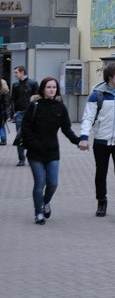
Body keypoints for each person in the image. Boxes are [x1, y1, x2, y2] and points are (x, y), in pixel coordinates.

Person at [79, 62, 115, 222]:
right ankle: (101, 201)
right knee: (101, 172)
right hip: (101, 141)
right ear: (110, 76)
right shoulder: (97, 95)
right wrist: (84, 137)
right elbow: (88, 117)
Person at [19, 77, 83, 224]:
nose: (52, 90)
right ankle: (38, 213)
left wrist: (78, 141)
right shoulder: (34, 105)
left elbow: (67, 129)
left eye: (54, 87)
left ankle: (45, 201)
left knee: (53, 183)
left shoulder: (60, 107)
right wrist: (34, 143)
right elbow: (25, 128)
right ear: (42, 89)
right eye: (48, 87)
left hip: (53, 151)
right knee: (40, 183)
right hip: (35, 152)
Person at [12, 66, 39, 166]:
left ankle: (33, 156)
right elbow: (13, 99)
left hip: (31, 114)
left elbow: (37, 98)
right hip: (19, 113)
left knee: (32, 136)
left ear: (22, 72)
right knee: (20, 137)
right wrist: (13, 112)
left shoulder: (33, 83)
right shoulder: (15, 85)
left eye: (16, 72)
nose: (15, 74)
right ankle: (21, 159)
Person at [0, 78, 11, 145]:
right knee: (2, 125)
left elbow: (6, 104)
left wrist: (8, 115)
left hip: (2, 112)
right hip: (2, 112)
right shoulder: (4, 92)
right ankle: (3, 139)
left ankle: (3, 139)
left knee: (1, 126)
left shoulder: (4, 93)